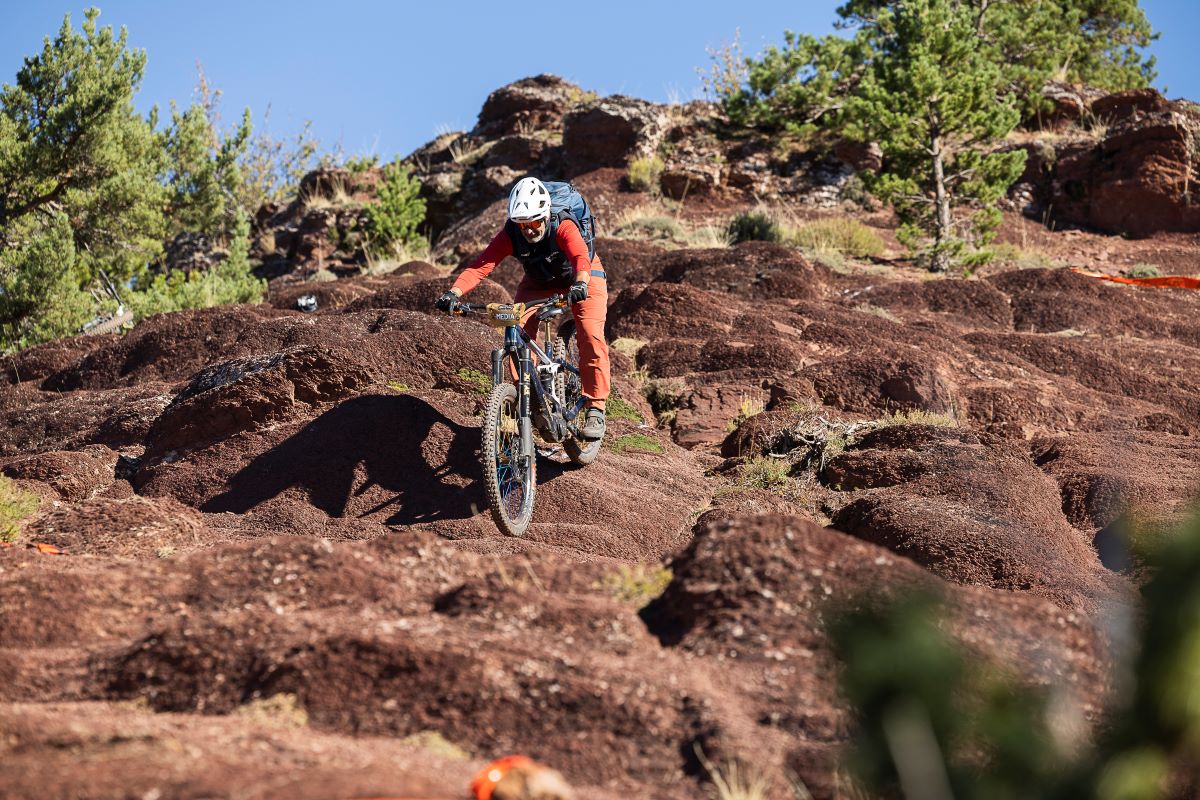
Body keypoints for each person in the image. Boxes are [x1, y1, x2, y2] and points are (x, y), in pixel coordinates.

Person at [437, 177, 610, 441]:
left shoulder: (562, 224)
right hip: (538, 281)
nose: (528, 230)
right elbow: (481, 266)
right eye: (522, 224)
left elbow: (580, 257)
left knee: (590, 332)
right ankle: (527, 398)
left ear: (545, 215)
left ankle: (596, 407)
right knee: (516, 330)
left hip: (582, 275)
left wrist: (580, 284)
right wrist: (454, 293)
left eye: (534, 223)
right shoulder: (512, 233)